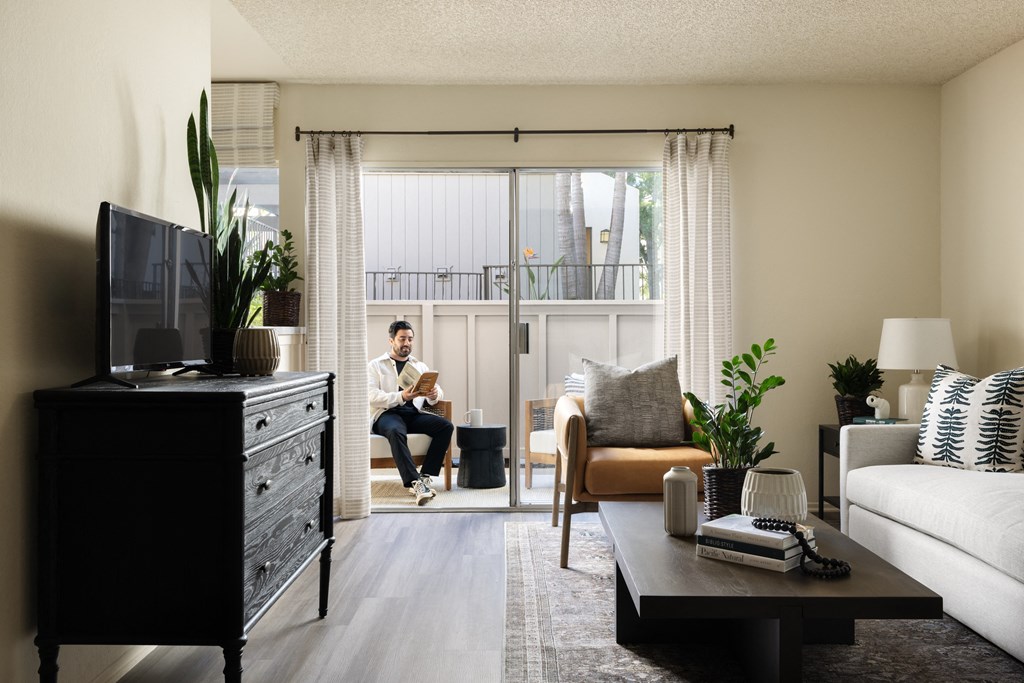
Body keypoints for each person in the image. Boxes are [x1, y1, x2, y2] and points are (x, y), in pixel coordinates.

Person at [368, 320, 454, 505]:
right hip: (386, 414)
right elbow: (371, 396)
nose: (406, 343)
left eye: (410, 339)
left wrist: (433, 394)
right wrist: (401, 396)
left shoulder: (419, 366)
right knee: (396, 431)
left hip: (412, 414)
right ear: (391, 341)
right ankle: (414, 483)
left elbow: (436, 393)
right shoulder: (376, 365)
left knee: (445, 426)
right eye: (402, 339)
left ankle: (425, 476)